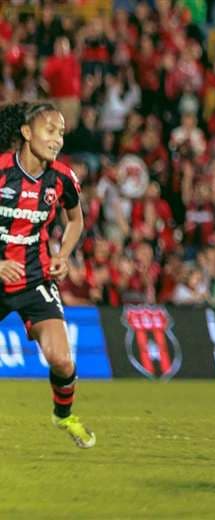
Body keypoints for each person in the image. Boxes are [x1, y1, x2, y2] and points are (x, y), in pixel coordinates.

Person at [0, 102, 94, 447]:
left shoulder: (62, 178)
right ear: (26, 133)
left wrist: (63, 254)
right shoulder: (1, 172)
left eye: (61, 133)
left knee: (62, 360)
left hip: (35, 279)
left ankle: (64, 415)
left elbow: (76, 220)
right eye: (50, 130)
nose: (57, 140)